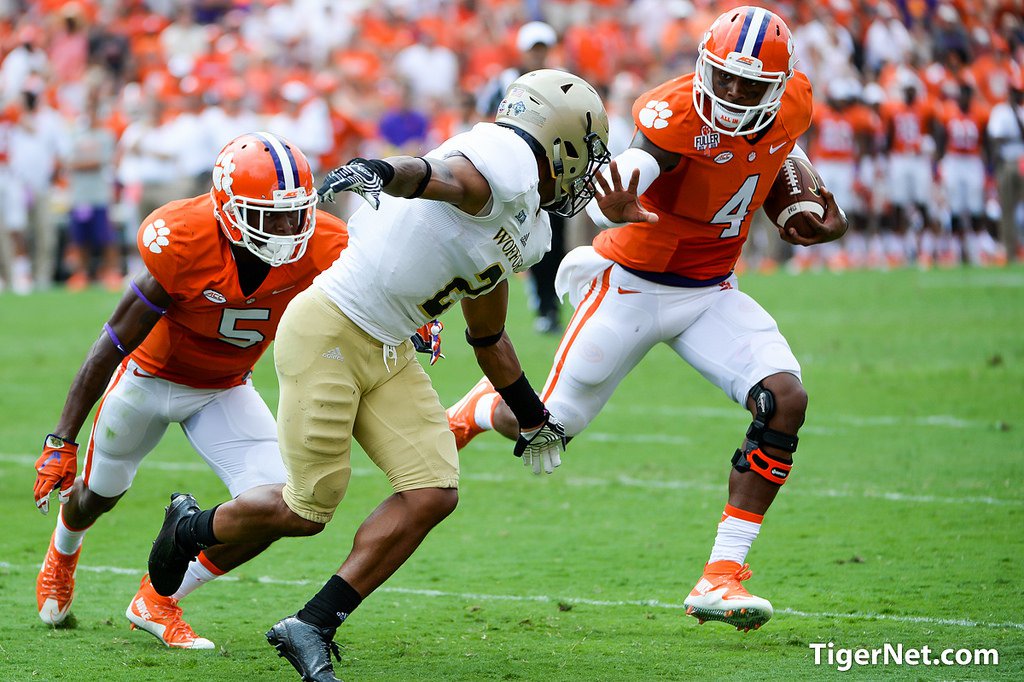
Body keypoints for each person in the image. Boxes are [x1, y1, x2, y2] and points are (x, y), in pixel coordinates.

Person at [146, 69, 616, 682]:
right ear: (559, 143)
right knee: (308, 510)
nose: (586, 171)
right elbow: (438, 178)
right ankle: (189, 526)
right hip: (331, 329)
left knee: (433, 490)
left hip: (390, 345)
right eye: (585, 154)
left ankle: (312, 623)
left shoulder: (531, 225)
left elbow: (489, 335)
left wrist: (535, 418)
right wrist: (380, 169)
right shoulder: (503, 161)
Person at [447, 6, 848, 633]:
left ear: (780, 84)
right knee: (548, 428)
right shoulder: (674, 113)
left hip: (712, 289)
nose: (735, 94)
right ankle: (476, 410)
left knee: (784, 400)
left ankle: (721, 575)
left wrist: (810, 204)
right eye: (726, 78)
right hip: (632, 285)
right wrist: (619, 201)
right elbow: (640, 163)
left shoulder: (794, 101)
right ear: (703, 68)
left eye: (752, 85)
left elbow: (774, 156)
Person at [32, 132, 348, 648]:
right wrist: (62, 437)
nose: (288, 228)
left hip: (224, 388)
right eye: (269, 214)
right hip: (147, 380)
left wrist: (411, 321)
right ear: (226, 209)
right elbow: (112, 341)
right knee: (95, 497)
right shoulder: (183, 237)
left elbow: (367, 295)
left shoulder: (325, 244)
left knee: (280, 507)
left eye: (295, 212)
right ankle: (63, 552)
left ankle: (157, 599)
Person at [477, 21, 566, 333]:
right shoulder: (506, 79)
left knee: (553, 241)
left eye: (543, 49)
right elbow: (483, 113)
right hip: (510, 170)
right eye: (534, 49)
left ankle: (548, 307)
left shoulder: (558, 80)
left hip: (548, 172)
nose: (539, 55)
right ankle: (492, 314)